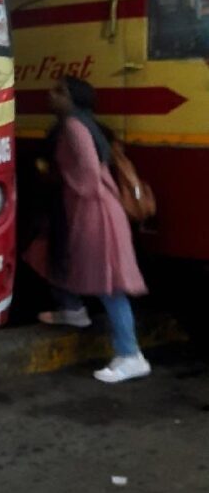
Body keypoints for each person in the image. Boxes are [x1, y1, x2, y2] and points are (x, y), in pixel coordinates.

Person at [25, 77, 150, 383]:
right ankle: (73, 311)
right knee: (74, 263)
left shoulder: (73, 126)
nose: (51, 95)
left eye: (59, 91)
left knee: (110, 285)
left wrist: (66, 185)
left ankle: (131, 355)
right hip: (94, 210)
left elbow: (90, 176)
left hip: (96, 213)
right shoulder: (84, 123)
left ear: (72, 99)